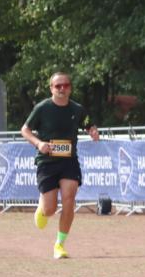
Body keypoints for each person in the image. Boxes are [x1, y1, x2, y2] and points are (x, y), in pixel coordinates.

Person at [21, 72, 99, 259]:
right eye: (58, 86)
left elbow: (88, 124)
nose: (62, 89)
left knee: (69, 200)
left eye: (66, 85)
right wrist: (39, 143)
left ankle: (59, 245)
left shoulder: (77, 109)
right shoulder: (42, 108)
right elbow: (25, 129)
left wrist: (93, 131)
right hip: (47, 162)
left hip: (68, 161)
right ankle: (42, 209)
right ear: (51, 89)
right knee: (50, 209)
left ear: (70, 88)